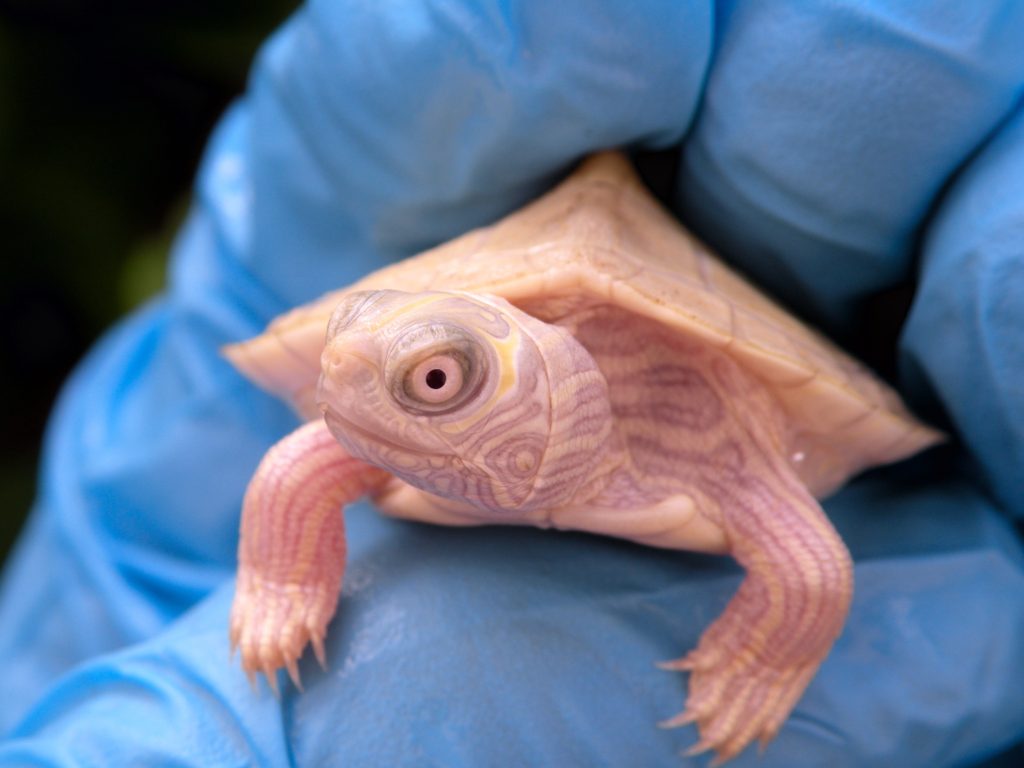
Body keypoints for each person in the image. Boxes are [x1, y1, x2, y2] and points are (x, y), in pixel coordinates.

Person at [2, 1, 1023, 764]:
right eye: (359, 348)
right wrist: (281, 581)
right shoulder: (377, 415)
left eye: (437, 378)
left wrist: (761, 659)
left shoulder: (691, 415)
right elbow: (307, 460)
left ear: (544, 383)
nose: (346, 388)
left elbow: (805, 570)